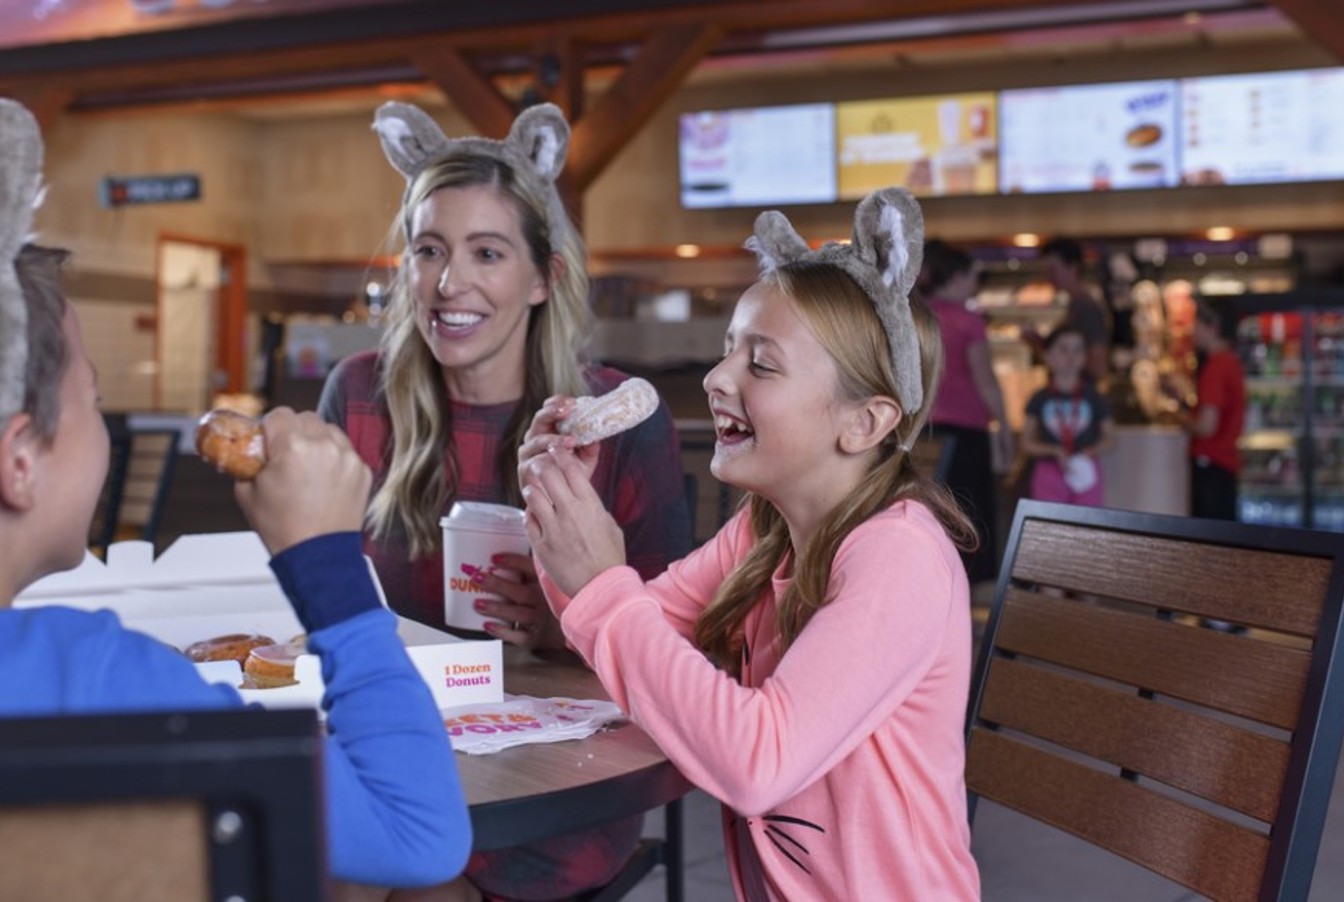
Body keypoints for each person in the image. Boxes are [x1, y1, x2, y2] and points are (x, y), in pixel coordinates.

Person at [0, 99, 468, 893]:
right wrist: (327, 568)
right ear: (19, 461)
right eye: (94, 400)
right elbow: (419, 835)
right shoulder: (104, 683)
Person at [518, 188, 981, 900]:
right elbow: (626, 630)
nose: (716, 378)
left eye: (760, 365)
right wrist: (563, 517)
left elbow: (758, 759)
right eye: (726, 351)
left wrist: (603, 587)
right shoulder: (763, 532)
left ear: (864, 422)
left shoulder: (901, 556)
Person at [318, 101, 692, 901]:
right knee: (318, 859)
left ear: (540, 278)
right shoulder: (357, 397)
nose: (449, 284)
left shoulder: (613, 419)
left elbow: (681, 640)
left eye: (487, 253)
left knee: (396, 875)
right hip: (388, 748)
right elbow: (319, 601)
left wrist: (568, 622)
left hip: (551, 783)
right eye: (428, 251)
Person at [921, 238, 1014, 587]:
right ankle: (965, 603)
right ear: (957, 276)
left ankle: (933, 591)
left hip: (927, 433)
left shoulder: (921, 314)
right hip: (967, 434)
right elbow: (985, 381)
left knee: (933, 518)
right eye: (972, 277)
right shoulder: (969, 320)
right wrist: (1003, 428)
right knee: (968, 523)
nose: (974, 285)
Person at [1020, 324, 1115, 506]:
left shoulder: (1094, 396)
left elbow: (1110, 438)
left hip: (1085, 467)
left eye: (1078, 350)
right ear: (1047, 355)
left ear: (1085, 357)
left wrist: (1091, 451)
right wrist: (1053, 451)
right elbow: (1026, 442)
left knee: (1087, 525)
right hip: (1050, 470)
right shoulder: (1040, 397)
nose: (1071, 356)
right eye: (1063, 349)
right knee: (1049, 526)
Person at [1182, 298, 1245, 520]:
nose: (1193, 330)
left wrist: (1179, 419)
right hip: (1224, 470)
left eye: (1197, 322)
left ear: (1213, 326)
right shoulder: (1231, 361)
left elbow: (1206, 426)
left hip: (1211, 469)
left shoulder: (1216, 366)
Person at [1035, 237, 1112, 384]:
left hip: (1081, 397)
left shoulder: (1087, 307)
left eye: (1053, 269)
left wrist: (1051, 351)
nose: (1048, 276)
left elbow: (1099, 366)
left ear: (1072, 268)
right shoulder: (1076, 304)